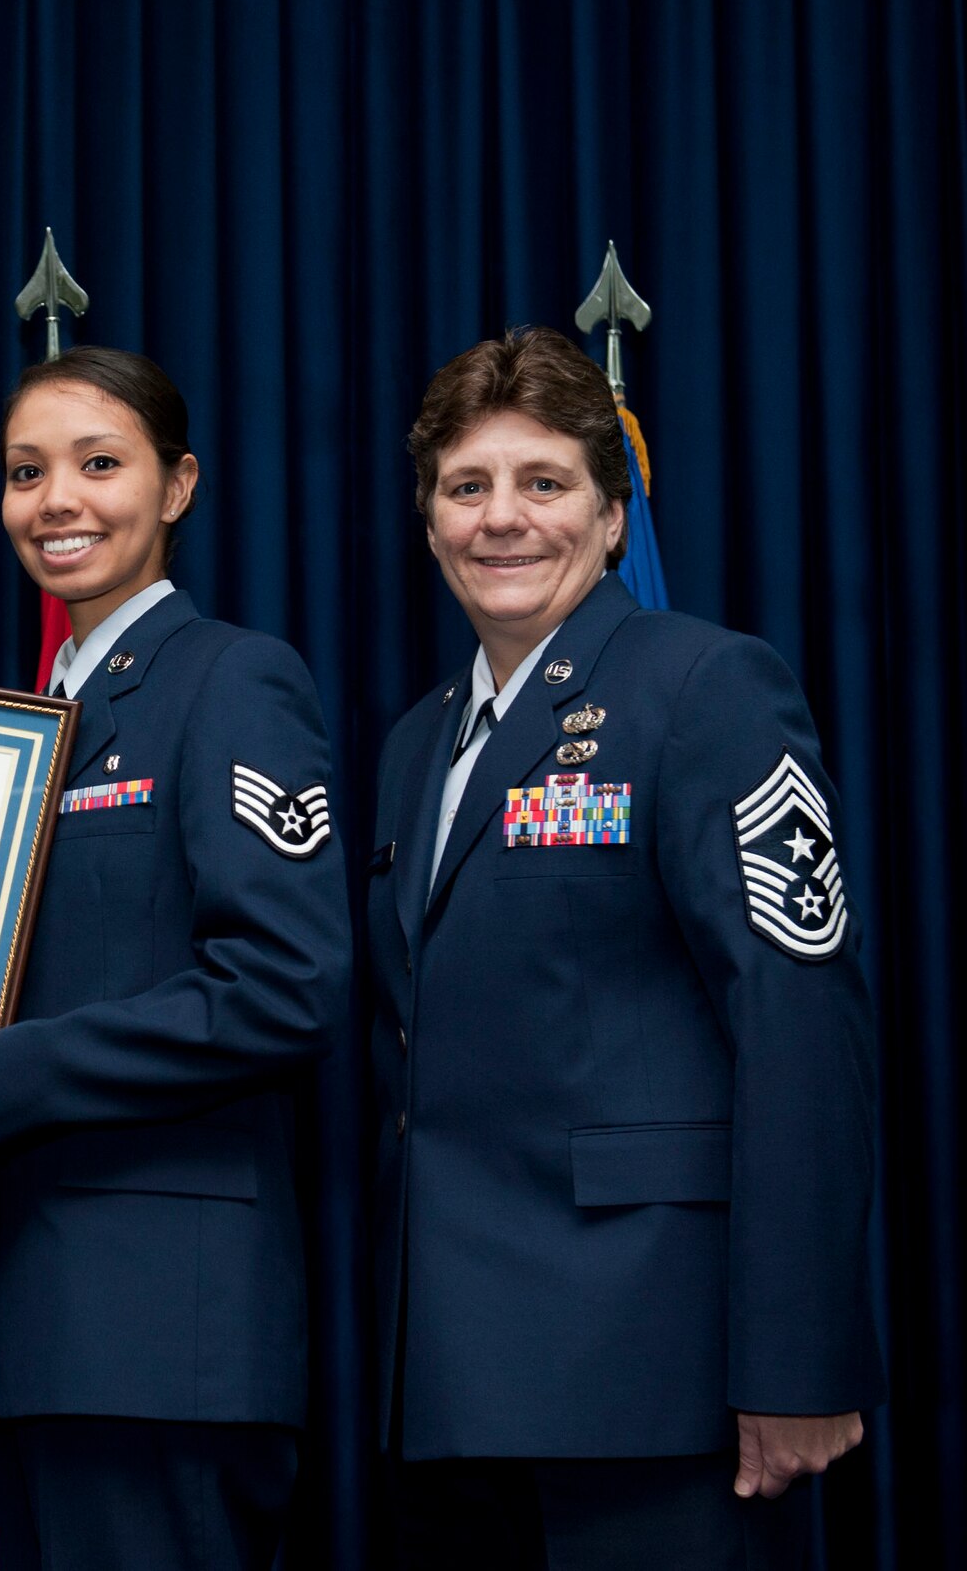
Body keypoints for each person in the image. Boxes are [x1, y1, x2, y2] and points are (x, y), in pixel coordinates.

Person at [369, 327, 884, 1566]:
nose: (502, 519)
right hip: (456, 1377)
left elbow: (799, 1023)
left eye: (543, 483)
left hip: (659, 1372)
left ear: (610, 517)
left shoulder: (704, 685)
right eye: (466, 486)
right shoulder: (412, 745)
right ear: (428, 520)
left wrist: (797, 1358)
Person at [0, 346, 352, 1571]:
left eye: (97, 463)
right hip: (31, 1325)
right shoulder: (13, 733)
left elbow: (284, 983)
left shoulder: (230, 680)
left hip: (160, 1343)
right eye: (26, 471)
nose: (56, 499)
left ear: (176, 487)